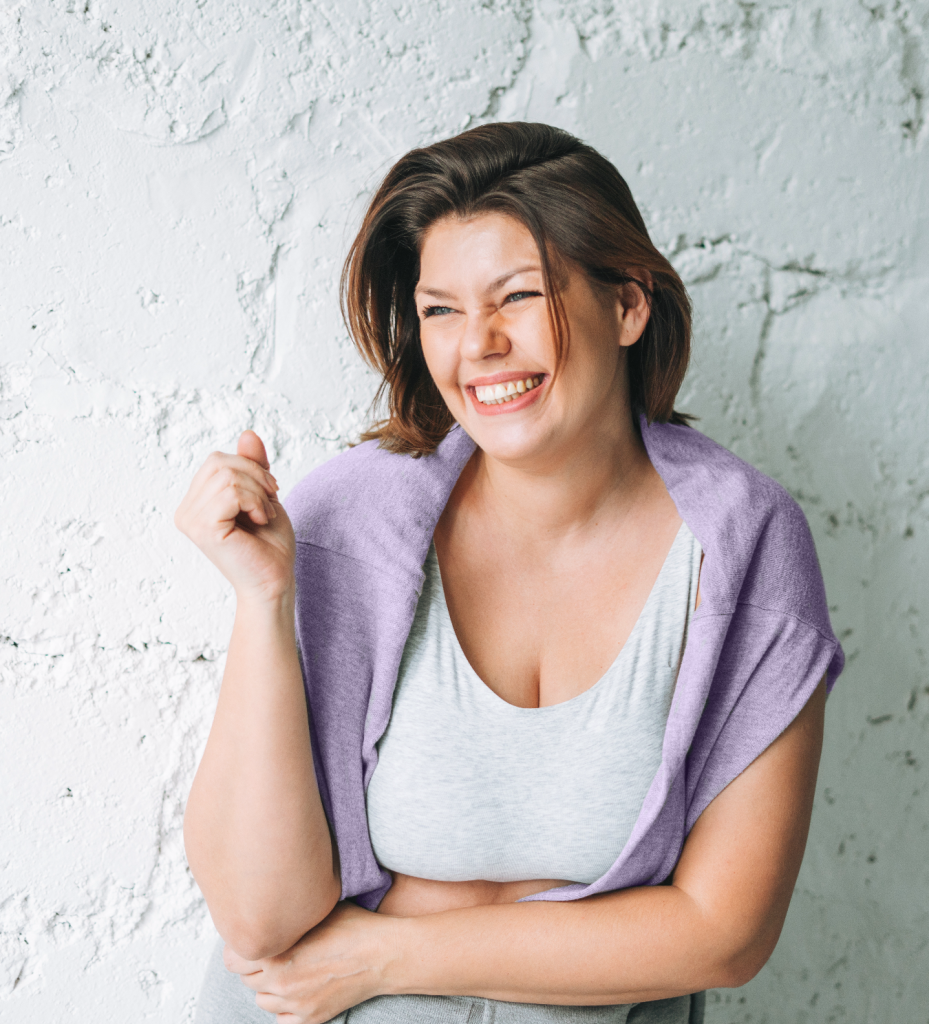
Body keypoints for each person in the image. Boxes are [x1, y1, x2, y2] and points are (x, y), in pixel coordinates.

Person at [175, 122, 844, 1024]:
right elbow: (262, 923)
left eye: (517, 296)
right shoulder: (347, 521)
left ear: (627, 304)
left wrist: (385, 955)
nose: (477, 344)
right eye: (440, 309)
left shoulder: (743, 546)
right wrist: (264, 601)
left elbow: (723, 932)